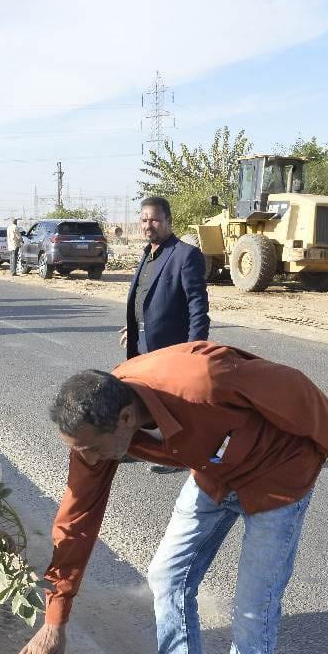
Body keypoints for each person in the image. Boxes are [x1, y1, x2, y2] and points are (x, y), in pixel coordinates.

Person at [14, 343, 328, 654]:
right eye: (83, 451)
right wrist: (55, 619)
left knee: (253, 614)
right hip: (215, 472)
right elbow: (77, 520)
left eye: (94, 449)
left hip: (279, 477)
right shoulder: (94, 430)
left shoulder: (204, 380)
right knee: (167, 577)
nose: (91, 460)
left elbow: (295, 390)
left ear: (125, 418)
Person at [122, 196, 211, 475]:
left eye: (155, 219)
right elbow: (146, 297)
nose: (149, 225)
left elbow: (198, 307)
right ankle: (143, 448)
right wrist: (135, 326)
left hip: (172, 346)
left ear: (168, 221)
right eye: (144, 219)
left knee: (172, 404)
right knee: (144, 398)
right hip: (143, 341)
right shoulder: (147, 254)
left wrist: (195, 349)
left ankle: (178, 457)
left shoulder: (185, 255)